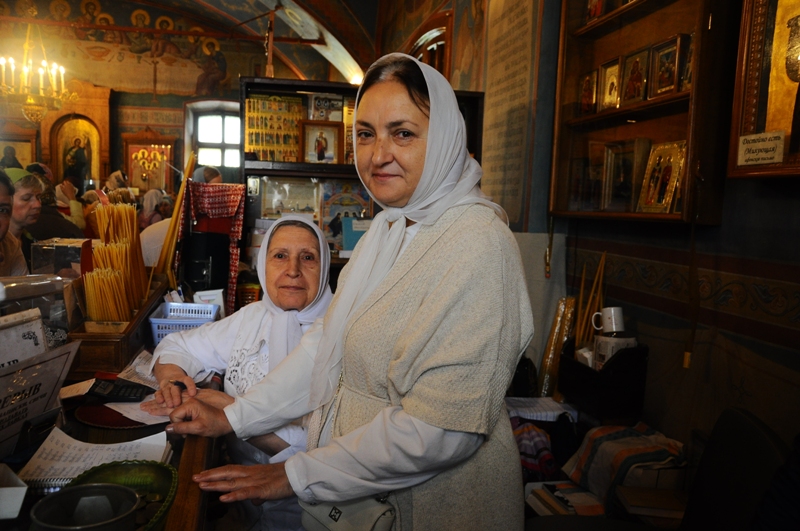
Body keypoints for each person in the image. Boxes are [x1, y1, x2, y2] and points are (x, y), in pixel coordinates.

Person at [164, 54, 534, 529]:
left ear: (444, 137)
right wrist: (237, 419)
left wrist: (295, 474)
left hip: (435, 506)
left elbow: (441, 430)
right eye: (365, 134)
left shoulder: (479, 243)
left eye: (403, 133)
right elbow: (324, 347)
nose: (378, 155)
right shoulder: (388, 229)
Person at [143, 215, 333, 530]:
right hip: (244, 504)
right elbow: (177, 345)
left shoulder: (343, 334)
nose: (293, 270)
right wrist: (172, 381)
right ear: (263, 264)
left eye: (308, 257)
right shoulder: (253, 318)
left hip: (312, 511)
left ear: (324, 267)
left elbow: (335, 451)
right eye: (280, 255)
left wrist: (230, 414)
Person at [0, 170, 27, 276]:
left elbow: (22, 285)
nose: (37, 205)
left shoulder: (10, 245)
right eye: (26, 198)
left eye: (2, 210)